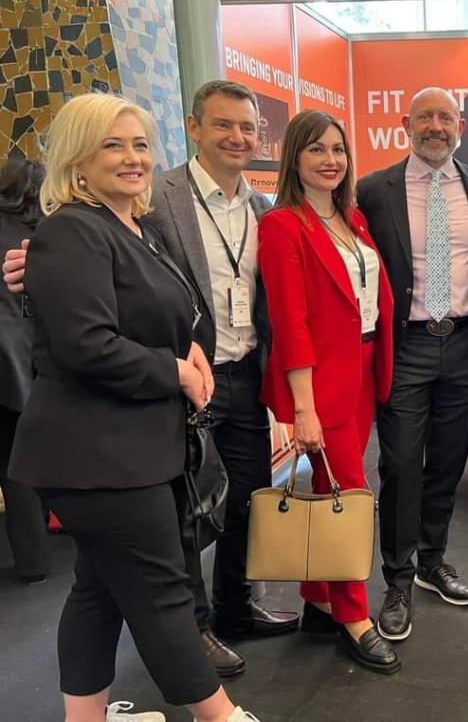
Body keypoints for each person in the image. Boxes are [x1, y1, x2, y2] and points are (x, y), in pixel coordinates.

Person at [2, 80, 299, 678]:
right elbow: (83, 268)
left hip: (236, 372)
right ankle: (196, 631)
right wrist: (35, 265)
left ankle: (235, 604)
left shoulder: (262, 208)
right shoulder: (155, 196)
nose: (237, 137)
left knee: (238, 500)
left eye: (247, 128)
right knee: (177, 527)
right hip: (156, 398)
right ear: (194, 129)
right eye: (223, 125)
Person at [258, 110, 401, 674]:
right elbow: (290, 323)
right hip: (318, 381)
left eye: (338, 149)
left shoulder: (353, 218)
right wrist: (304, 408)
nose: (330, 160)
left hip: (362, 368)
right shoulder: (282, 226)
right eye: (316, 149)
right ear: (294, 157)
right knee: (352, 494)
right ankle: (353, 615)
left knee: (330, 486)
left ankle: (318, 598)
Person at [357, 87, 468, 641]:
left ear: (460, 125)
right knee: (399, 464)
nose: (435, 126)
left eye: (445, 117)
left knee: (447, 461)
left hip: (464, 345)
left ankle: (432, 561)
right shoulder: (373, 190)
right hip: (407, 345)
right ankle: (397, 578)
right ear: (406, 124)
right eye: (425, 117)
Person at [0, 159, 50, 585]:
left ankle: (33, 560)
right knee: (24, 464)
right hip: (34, 365)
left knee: (10, 463)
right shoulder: (51, 232)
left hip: (8, 363)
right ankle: (37, 558)